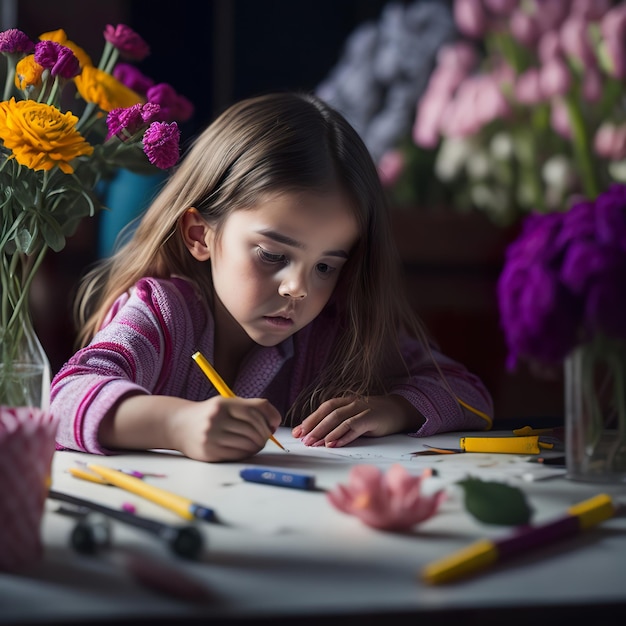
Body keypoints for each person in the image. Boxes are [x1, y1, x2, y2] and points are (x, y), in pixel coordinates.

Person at [51, 92, 493, 463]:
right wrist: (176, 425)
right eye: (272, 254)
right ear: (199, 234)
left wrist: (392, 409)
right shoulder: (162, 313)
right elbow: (65, 398)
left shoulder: (335, 329)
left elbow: (471, 395)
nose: (298, 288)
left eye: (325, 266)